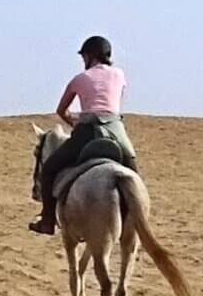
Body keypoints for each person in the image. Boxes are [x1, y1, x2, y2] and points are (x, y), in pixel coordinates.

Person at [31, 34, 135, 235]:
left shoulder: (80, 79)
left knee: (50, 168)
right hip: (115, 129)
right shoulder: (119, 75)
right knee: (132, 166)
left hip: (86, 131)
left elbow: (61, 110)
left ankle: (48, 220)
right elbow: (114, 104)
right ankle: (136, 220)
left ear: (89, 56)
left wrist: (74, 123)